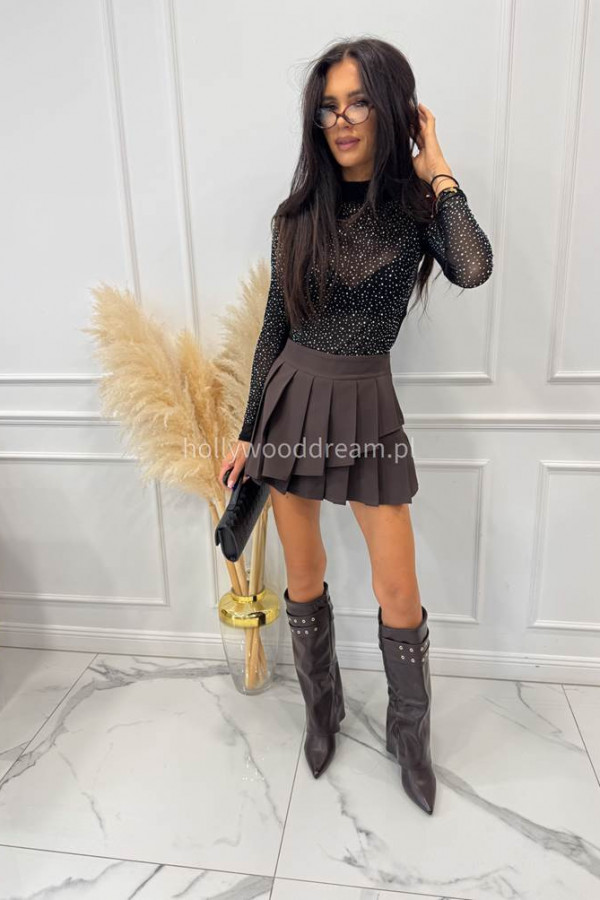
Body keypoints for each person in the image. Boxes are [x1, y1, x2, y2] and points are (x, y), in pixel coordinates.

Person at [218, 37, 493, 814]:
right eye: (329, 107)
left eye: (359, 102)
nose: (341, 120)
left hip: (368, 405)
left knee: (398, 588)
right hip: (293, 399)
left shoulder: (416, 210)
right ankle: (322, 711)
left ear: (391, 108)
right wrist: (248, 431)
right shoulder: (295, 217)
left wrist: (438, 165)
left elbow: (473, 266)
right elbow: (274, 330)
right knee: (304, 578)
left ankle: (411, 738)